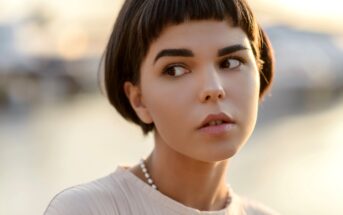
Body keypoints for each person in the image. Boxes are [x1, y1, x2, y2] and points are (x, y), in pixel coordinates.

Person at [44, 0, 279, 214]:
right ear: (139, 99)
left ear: (259, 73)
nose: (213, 88)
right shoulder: (86, 210)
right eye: (175, 69)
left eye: (230, 62)